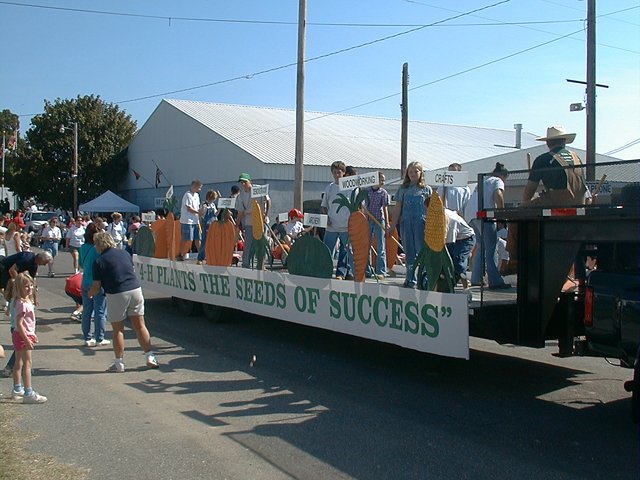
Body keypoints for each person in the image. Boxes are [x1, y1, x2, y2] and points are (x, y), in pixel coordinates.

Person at [88, 232, 158, 372]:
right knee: (140, 326)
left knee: (118, 329)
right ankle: (150, 355)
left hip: (117, 293)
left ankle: (119, 362)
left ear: (100, 245)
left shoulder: (99, 261)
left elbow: (96, 286)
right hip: (135, 289)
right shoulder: (124, 253)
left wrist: (89, 294)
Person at [388, 161, 432, 288]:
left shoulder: (426, 189)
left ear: (421, 173)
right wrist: (392, 226)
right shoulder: (403, 189)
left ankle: (424, 279)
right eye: (411, 172)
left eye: (416, 171)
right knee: (409, 253)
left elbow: (431, 209)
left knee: (422, 252)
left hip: (421, 225)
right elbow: (397, 209)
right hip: (406, 224)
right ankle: (410, 278)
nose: (413, 174)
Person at [523, 125, 588, 206]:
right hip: (580, 205)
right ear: (564, 141)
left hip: (556, 207)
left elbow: (529, 192)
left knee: (525, 205)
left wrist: (528, 201)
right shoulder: (576, 158)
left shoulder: (543, 159)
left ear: (547, 142)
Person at [470, 162, 510, 289]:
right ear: (503, 176)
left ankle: (476, 278)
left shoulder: (485, 180)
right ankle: (495, 280)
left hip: (471, 215)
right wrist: (501, 215)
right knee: (491, 247)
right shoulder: (497, 181)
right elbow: (498, 195)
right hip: (484, 215)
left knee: (482, 246)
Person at [12, 272, 47, 403]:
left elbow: (27, 323)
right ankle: (28, 392)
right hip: (22, 335)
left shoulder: (22, 301)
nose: (30, 288)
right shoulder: (22, 303)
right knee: (27, 364)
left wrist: (32, 335)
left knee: (19, 362)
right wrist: (27, 338)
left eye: (31, 285)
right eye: (26, 286)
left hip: (21, 334)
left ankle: (17, 389)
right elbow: (20, 323)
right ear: (19, 288)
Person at [321, 161, 354, 280]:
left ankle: (341, 273)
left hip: (346, 225)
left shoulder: (350, 187)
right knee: (328, 249)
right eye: (334, 172)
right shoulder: (329, 188)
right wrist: (327, 217)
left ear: (344, 173)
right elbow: (324, 205)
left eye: (339, 172)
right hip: (332, 225)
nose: (336, 175)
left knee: (344, 251)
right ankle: (325, 270)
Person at [80, 223, 109, 347]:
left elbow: (81, 264)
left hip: (85, 280)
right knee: (100, 311)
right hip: (96, 282)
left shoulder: (82, 247)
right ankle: (99, 337)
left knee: (87, 310)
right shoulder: (98, 250)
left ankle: (87, 337)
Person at [236, 173, 271, 268]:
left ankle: (261, 265)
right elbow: (240, 212)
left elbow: (268, 201)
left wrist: (265, 215)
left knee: (262, 243)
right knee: (248, 244)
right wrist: (237, 225)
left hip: (261, 220)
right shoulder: (241, 195)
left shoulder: (258, 189)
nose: (243, 184)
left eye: (245, 182)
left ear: (250, 181)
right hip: (249, 220)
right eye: (241, 182)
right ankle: (246, 264)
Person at [365, 172, 391, 279]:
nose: (383, 182)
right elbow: (363, 204)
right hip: (368, 220)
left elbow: (385, 208)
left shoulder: (383, 193)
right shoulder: (367, 191)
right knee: (367, 246)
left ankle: (381, 271)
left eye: (384, 180)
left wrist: (387, 223)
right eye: (381, 180)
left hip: (379, 220)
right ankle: (367, 270)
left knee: (381, 246)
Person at [179, 180, 203, 260]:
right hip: (187, 220)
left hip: (195, 220)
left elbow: (198, 207)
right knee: (187, 238)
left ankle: (201, 254)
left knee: (197, 238)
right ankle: (181, 253)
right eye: (199, 188)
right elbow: (188, 208)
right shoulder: (187, 195)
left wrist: (200, 213)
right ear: (194, 186)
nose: (200, 189)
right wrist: (198, 212)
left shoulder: (197, 195)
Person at [196, 189, 220, 265]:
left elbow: (215, 214)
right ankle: (200, 258)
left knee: (213, 242)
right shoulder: (204, 204)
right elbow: (201, 215)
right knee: (205, 242)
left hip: (214, 224)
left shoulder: (213, 205)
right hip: (207, 225)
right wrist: (203, 208)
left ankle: (211, 257)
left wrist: (219, 209)